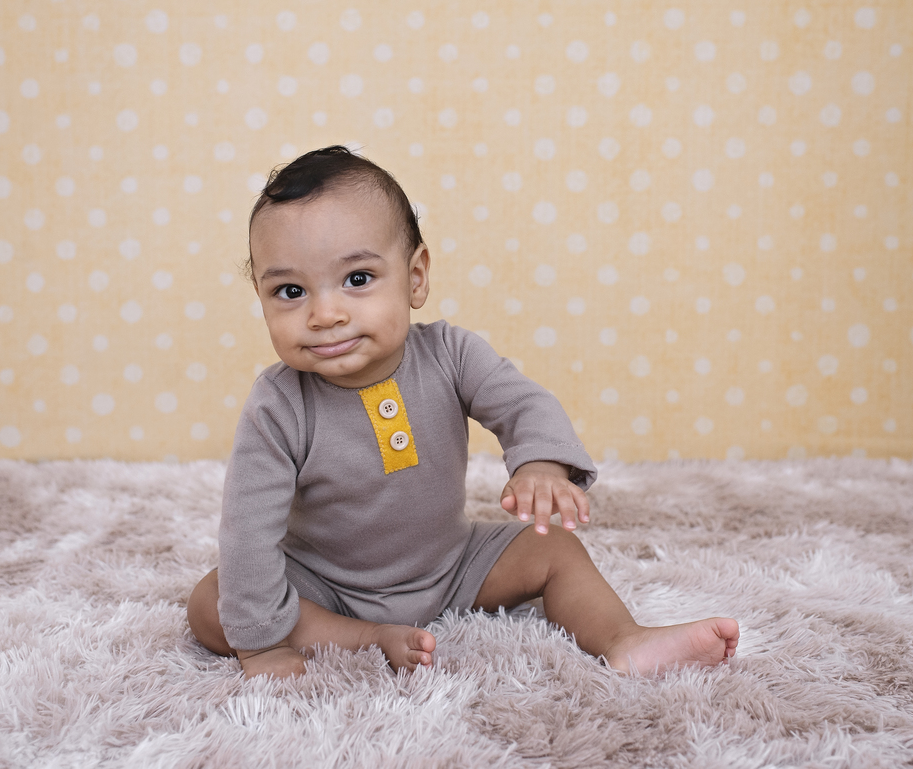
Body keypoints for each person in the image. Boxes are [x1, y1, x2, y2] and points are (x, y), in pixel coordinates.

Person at [187, 146, 739, 679]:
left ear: (416, 277)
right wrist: (260, 645)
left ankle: (624, 639)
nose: (325, 314)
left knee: (555, 548)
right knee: (215, 601)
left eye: (357, 280)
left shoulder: (450, 355)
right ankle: (363, 636)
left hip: (453, 566)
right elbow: (248, 529)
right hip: (326, 583)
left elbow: (523, 403)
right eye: (290, 291)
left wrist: (541, 465)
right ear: (260, 297)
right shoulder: (279, 405)